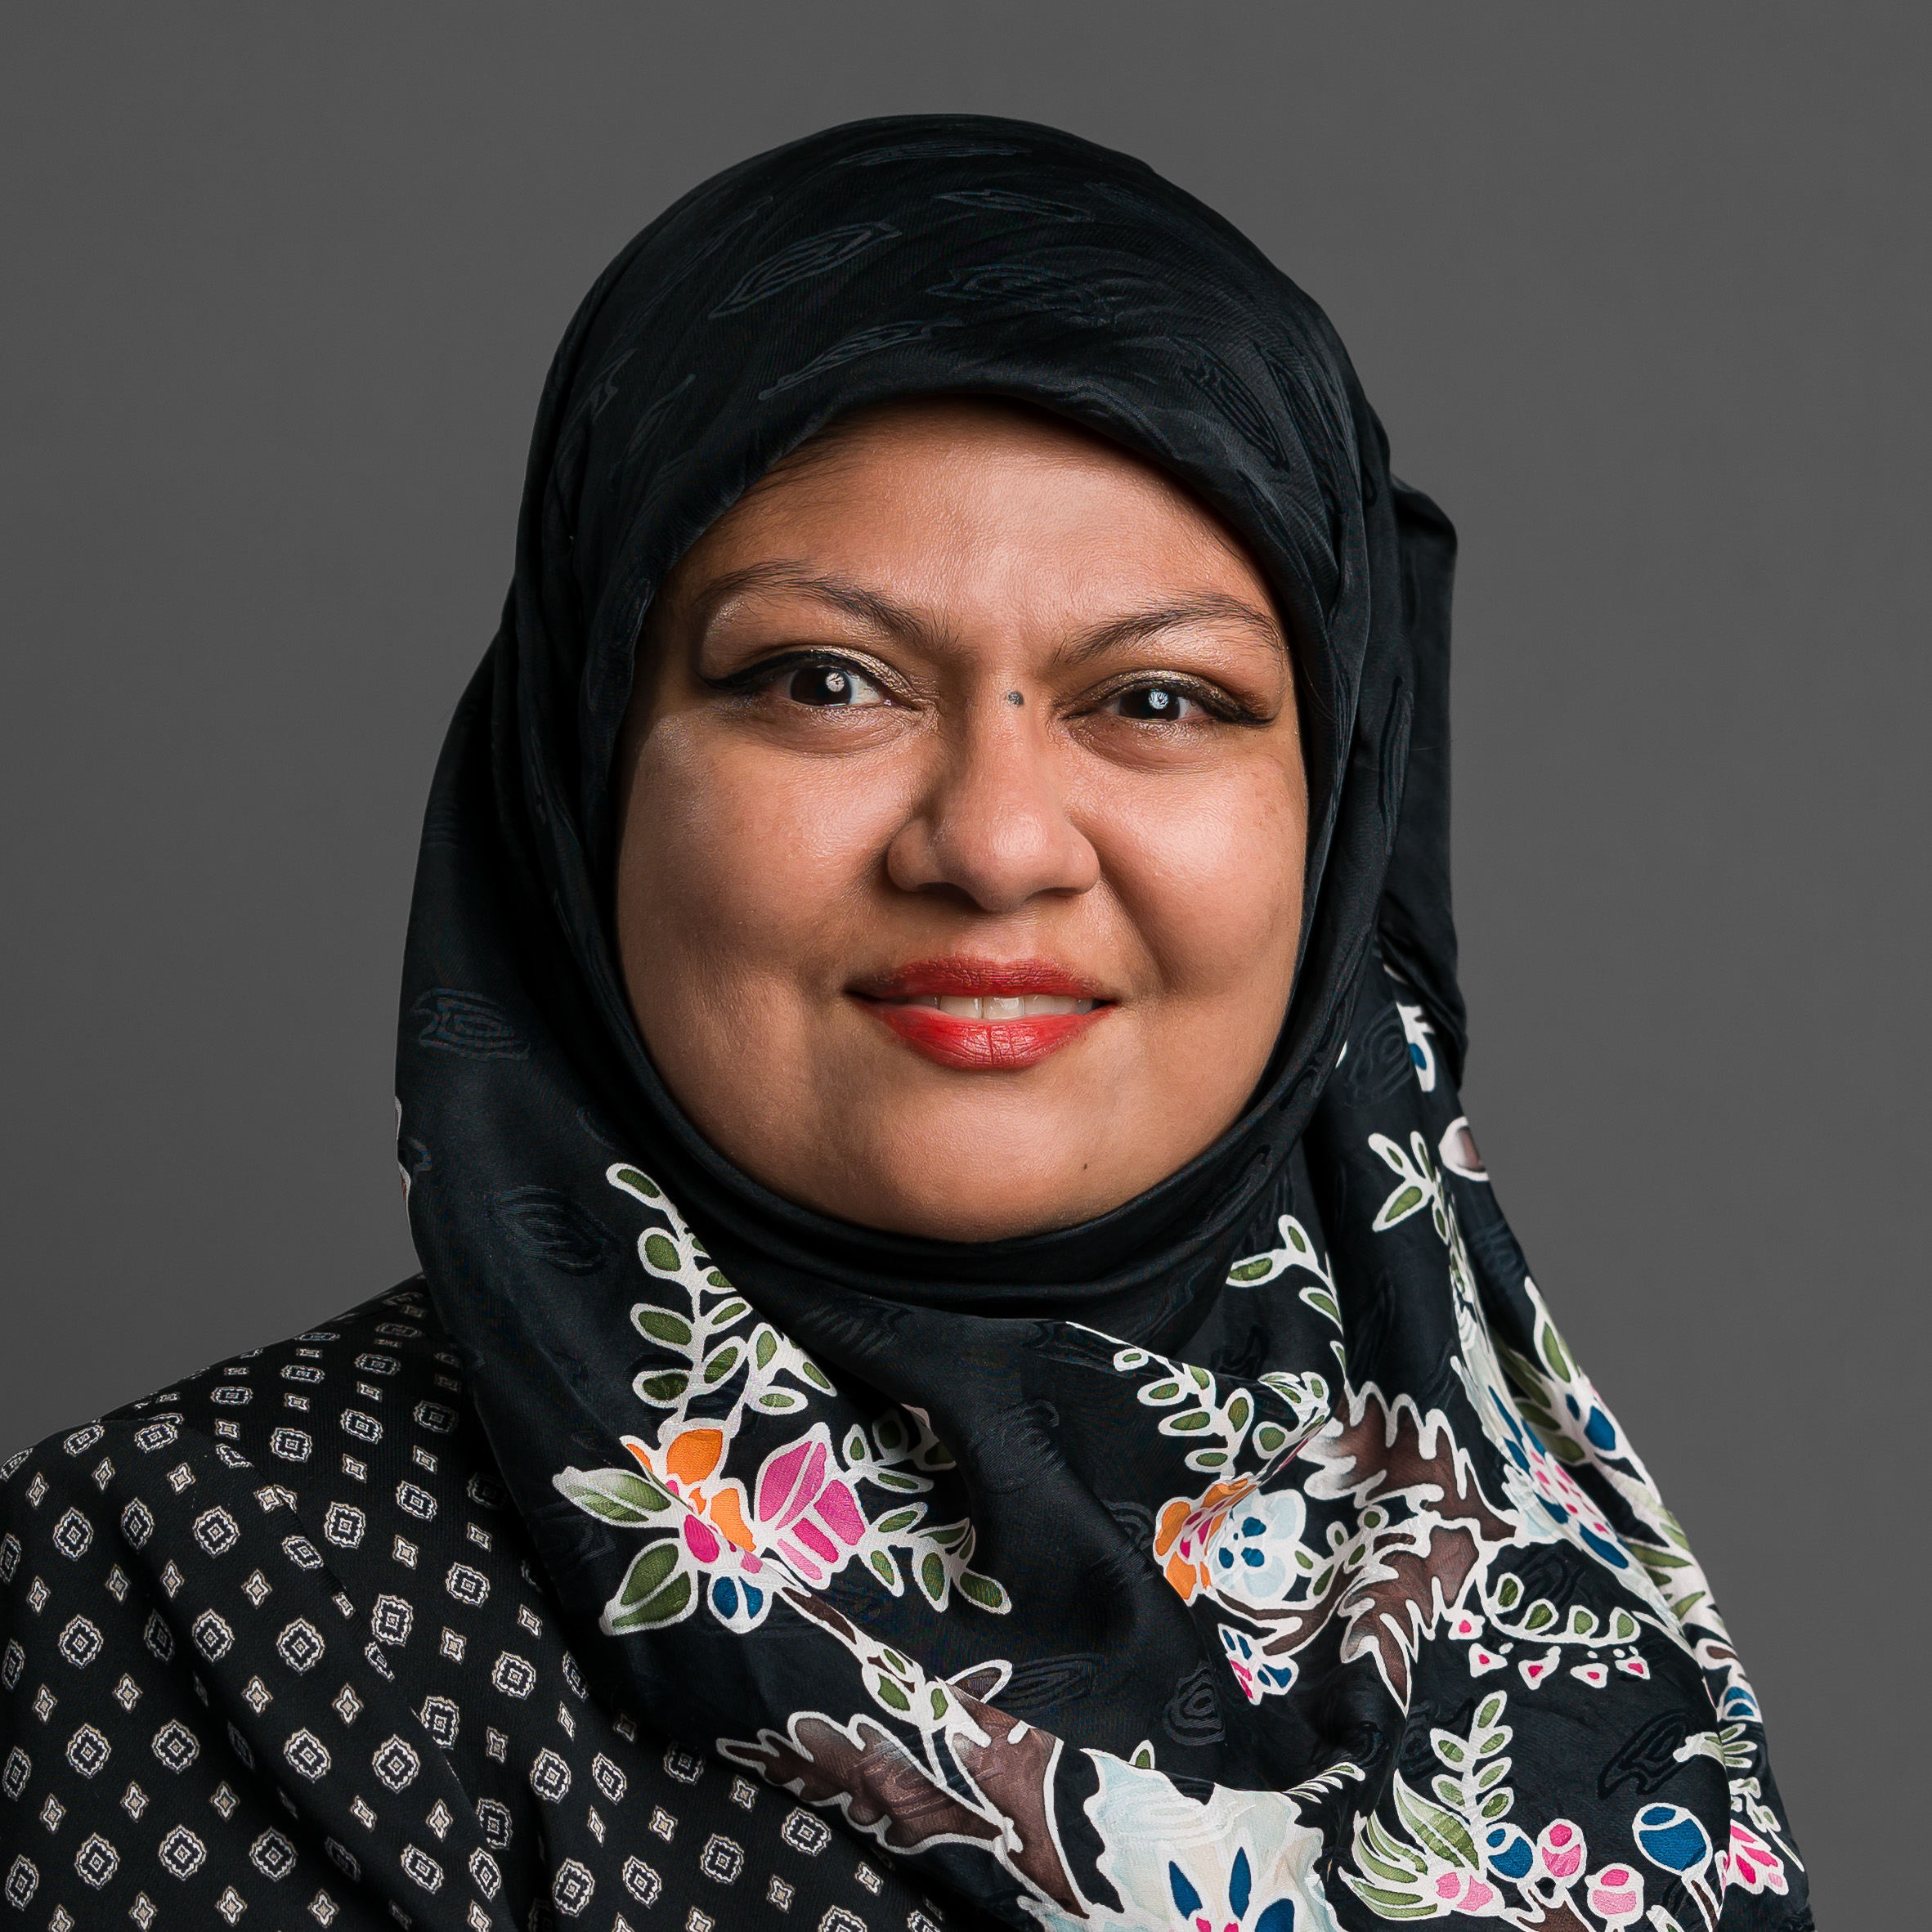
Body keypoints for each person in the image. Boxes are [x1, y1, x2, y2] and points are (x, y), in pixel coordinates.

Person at [0, 115, 1809, 1932]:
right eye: (824, 681)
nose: (996, 844)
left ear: (1330, 817)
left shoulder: (1522, 1534)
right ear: (587, 765)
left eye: (1160, 698)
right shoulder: (212, 1597)